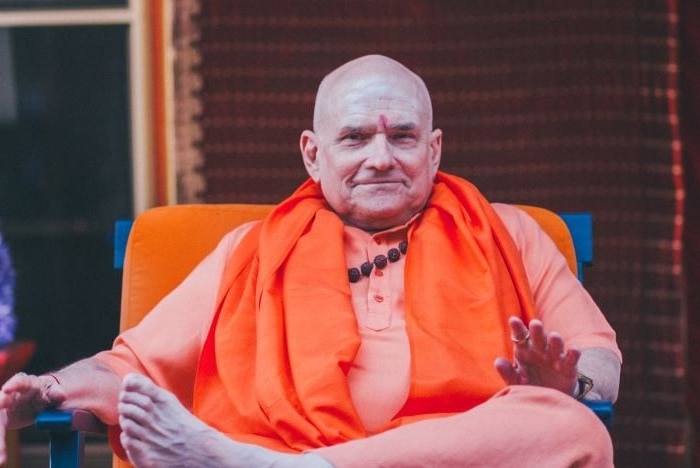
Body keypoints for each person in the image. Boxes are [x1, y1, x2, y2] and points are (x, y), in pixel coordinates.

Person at [0, 55, 621, 467]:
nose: (381, 157)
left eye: (401, 137)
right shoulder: (251, 249)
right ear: (312, 153)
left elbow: (600, 357)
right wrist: (50, 387)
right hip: (271, 442)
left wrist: (572, 386)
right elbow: (131, 367)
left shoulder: (508, 231)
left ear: (433, 151)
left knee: (574, 427)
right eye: (355, 138)